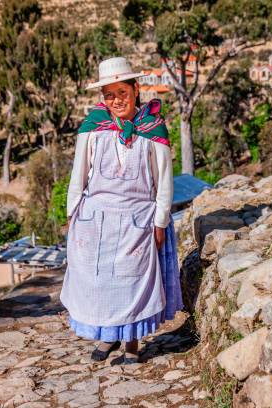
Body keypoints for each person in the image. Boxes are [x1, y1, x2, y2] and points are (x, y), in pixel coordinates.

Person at [60, 57, 183, 362]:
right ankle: (107, 338)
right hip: (95, 220)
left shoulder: (153, 128)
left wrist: (160, 222)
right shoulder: (92, 127)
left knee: (132, 283)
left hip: (137, 220)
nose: (116, 100)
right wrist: (71, 217)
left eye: (122, 93)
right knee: (100, 283)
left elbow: (163, 181)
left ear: (135, 89)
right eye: (109, 95)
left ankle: (131, 344)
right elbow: (79, 175)